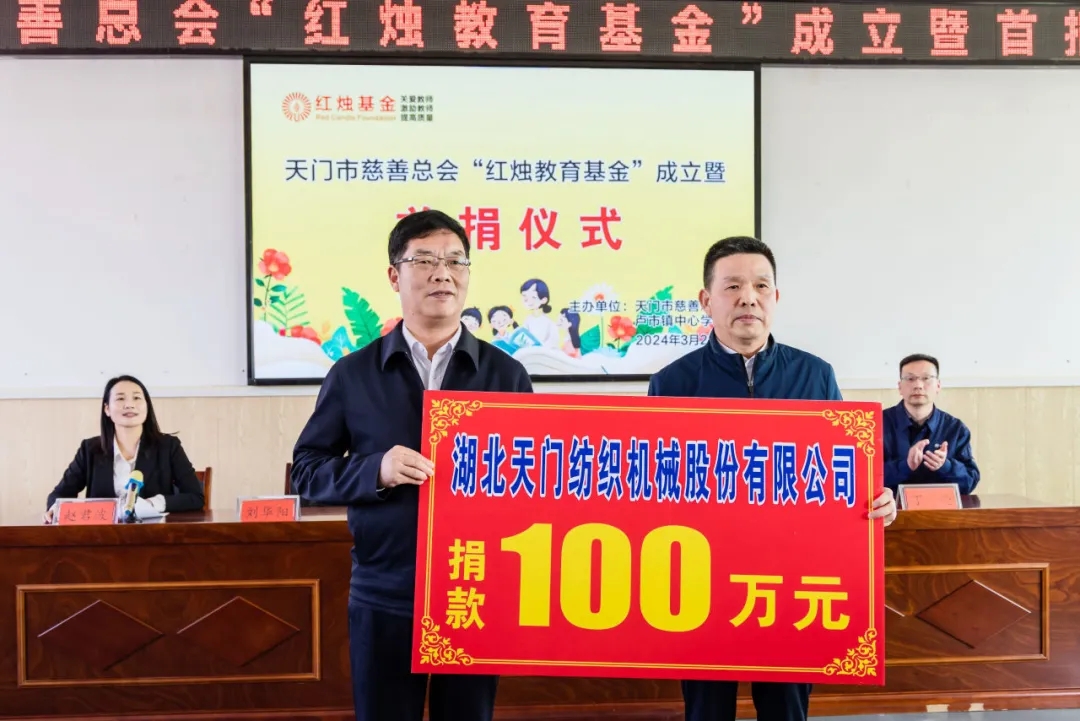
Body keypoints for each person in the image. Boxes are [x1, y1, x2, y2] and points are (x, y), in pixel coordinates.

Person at [291, 210, 533, 721]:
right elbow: (307, 471)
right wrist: (374, 471)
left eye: (455, 261)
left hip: (472, 590)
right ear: (394, 275)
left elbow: (532, 482)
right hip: (384, 591)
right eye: (424, 260)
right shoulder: (354, 373)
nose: (442, 273)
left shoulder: (505, 375)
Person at [647, 236, 896, 721]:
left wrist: (876, 499)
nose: (749, 298)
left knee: (786, 708)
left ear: (776, 297)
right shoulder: (673, 383)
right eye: (733, 286)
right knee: (706, 710)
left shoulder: (815, 376)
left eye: (761, 286)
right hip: (702, 583)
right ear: (706, 300)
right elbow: (653, 489)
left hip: (790, 583)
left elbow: (841, 473)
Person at [44, 374, 204, 523]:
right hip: (102, 538)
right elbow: (59, 495)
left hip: (153, 536)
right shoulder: (90, 450)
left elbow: (195, 496)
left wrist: (151, 503)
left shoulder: (168, 446)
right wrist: (55, 508)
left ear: (147, 406)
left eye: (137, 398)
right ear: (107, 409)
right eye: (120, 399)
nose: (129, 405)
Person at [883, 353, 980, 494]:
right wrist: (905, 466)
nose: (918, 385)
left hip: (940, 507)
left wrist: (946, 466)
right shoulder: (875, 424)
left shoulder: (955, 428)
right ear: (900, 387)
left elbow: (969, 481)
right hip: (890, 507)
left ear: (938, 386)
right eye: (910, 379)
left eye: (926, 378)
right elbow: (862, 477)